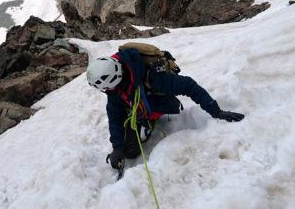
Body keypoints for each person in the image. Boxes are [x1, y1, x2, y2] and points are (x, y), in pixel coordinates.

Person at [86, 47, 245, 171]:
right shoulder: (115, 90)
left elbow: (189, 86)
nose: (106, 91)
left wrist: (216, 112)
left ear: (113, 80)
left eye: (106, 88)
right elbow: (114, 117)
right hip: (138, 107)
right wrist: (117, 148)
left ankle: (149, 119)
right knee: (129, 151)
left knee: (133, 138)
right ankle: (143, 121)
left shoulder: (153, 77)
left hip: (158, 105)